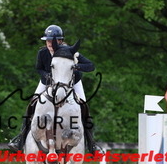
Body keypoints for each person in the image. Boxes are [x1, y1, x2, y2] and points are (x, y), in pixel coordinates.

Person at [8, 24, 100, 153]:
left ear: (60, 41)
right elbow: (39, 68)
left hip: (72, 83)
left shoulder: (70, 52)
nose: (50, 44)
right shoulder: (42, 53)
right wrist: (46, 76)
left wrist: (75, 66)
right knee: (32, 103)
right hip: (48, 82)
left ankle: (92, 144)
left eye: (52, 41)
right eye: (48, 41)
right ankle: (20, 139)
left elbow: (91, 66)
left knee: (84, 106)